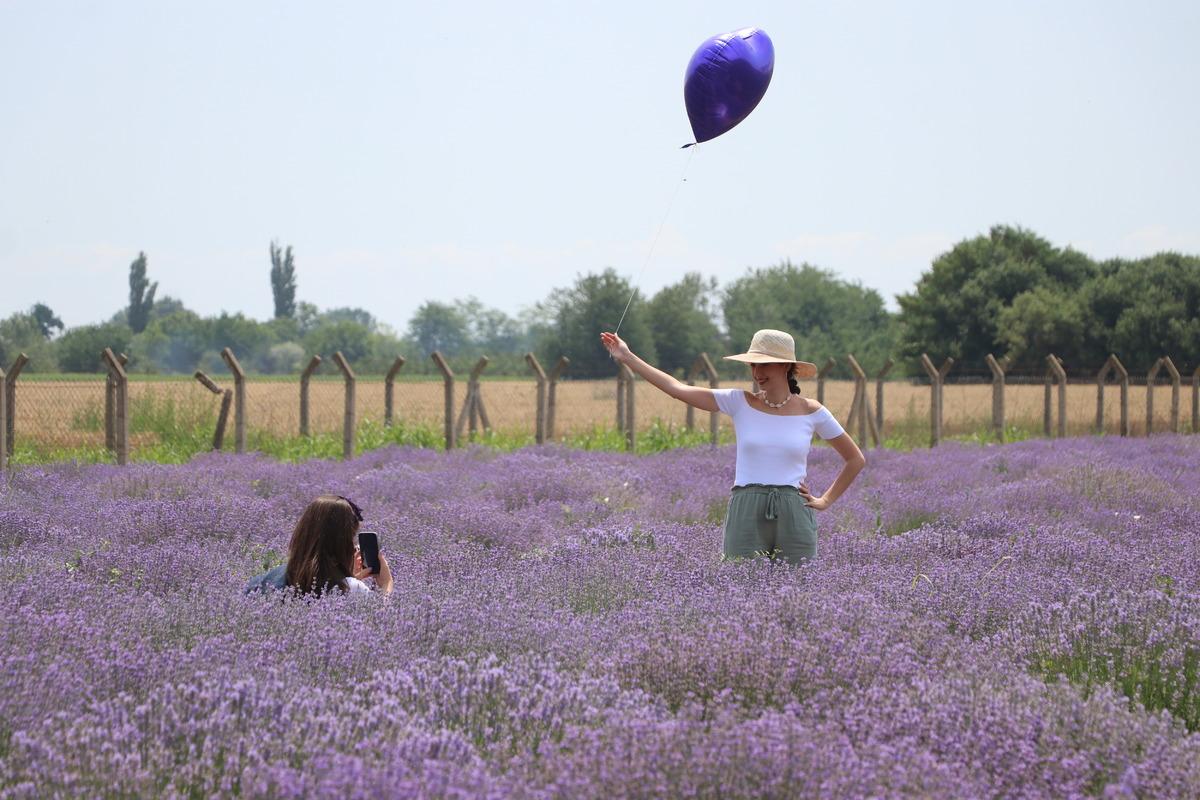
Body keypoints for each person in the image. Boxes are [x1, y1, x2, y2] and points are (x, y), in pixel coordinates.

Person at [600, 328, 865, 564]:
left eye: (765, 365)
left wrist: (826, 500)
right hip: (746, 509)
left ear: (786, 366)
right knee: (741, 591)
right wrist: (627, 357)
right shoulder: (739, 402)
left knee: (799, 591)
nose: (757, 373)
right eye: (753, 365)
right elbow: (676, 388)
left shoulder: (812, 411)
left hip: (794, 511)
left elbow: (855, 459)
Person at [244, 495, 394, 595]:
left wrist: (345, 576)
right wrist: (386, 587)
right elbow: (380, 625)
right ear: (342, 544)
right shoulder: (353, 590)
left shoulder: (264, 581)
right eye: (352, 539)